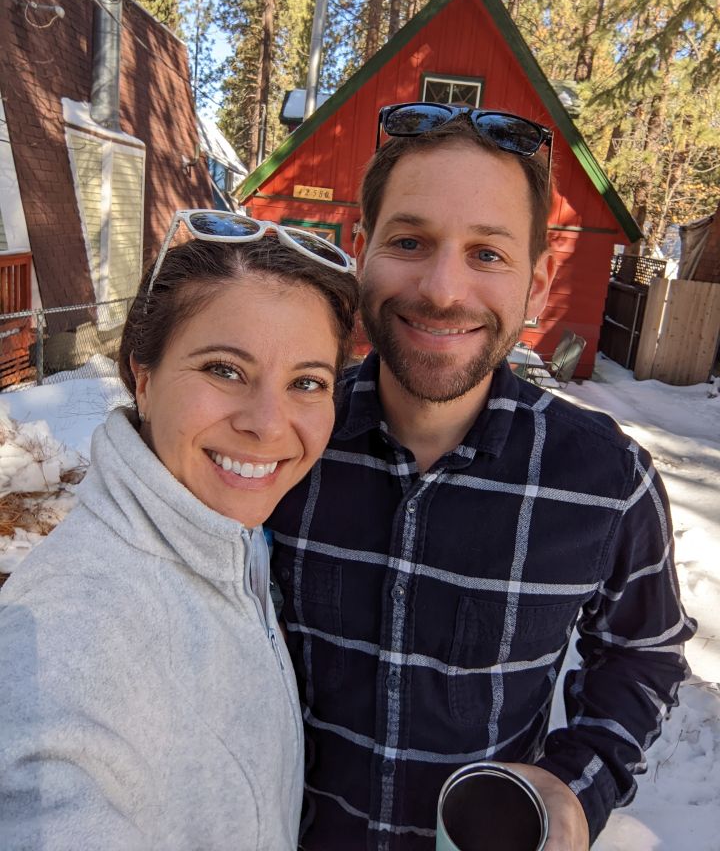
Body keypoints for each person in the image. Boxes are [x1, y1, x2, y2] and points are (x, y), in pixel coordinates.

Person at [268, 104, 696, 851]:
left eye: (488, 254)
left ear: (538, 283)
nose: (442, 289)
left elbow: (643, 653)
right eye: (410, 241)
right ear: (362, 252)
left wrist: (578, 785)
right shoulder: (282, 441)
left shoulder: (606, 481)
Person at [0, 212, 359, 851]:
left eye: (307, 382)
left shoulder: (226, 540)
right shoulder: (71, 640)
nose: (268, 424)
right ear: (143, 377)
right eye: (224, 369)